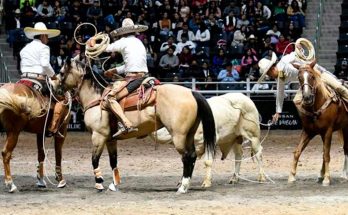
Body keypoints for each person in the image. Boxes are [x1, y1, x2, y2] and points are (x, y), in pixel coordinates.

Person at [88, 18, 148, 138]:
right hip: (144, 75)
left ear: (123, 32)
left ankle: (126, 124)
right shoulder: (138, 42)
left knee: (110, 97)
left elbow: (105, 48)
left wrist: (92, 41)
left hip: (133, 79)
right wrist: (115, 70)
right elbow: (131, 64)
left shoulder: (124, 41)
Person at [258, 47, 348, 123]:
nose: (270, 77)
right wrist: (278, 112)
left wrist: (299, 48)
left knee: (338, 87)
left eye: (269, 74)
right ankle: (312, 120)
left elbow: (295, 54)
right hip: (306, 83)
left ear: (272, 69)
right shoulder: (280, 77)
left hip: (318, 73)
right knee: (296, 100)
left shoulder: (284, 61)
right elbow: (280, 92)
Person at [20, 22, 67, 137]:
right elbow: (45, 64)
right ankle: (53, 127)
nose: (47, 39)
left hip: (23, 79)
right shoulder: (44, 47)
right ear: (42, 36)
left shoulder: (25, 48)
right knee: (61, 98)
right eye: (46, 36)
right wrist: (53, 76)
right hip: (38, 79)